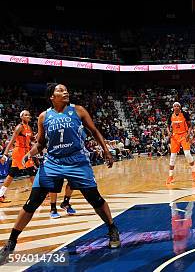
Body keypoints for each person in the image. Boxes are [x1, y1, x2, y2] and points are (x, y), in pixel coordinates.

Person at [0, 83, 120, 263]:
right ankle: (10, 243)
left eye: (66, 90)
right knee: (32, 202)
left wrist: (106, 150)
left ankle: (112, 228)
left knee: (94, 198)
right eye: (60, 90)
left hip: (77, 161)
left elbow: (94, 131)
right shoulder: (43, 117)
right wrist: (28, 154)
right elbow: (40, 144)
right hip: (53, 163)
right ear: (51, 97)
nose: (65, 92)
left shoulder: (78, 110)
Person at [0, 111, 37, 203]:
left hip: (26, 151)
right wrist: (5, 154)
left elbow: (31, 139)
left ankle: (1, 194)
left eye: (29, 114)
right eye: (25, 115)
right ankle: (38, 193)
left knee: (12, 173)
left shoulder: (29, 128)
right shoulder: (19, 127)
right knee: (32, 172)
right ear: (21, 117)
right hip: (19, 152)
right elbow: (12, 141)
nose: (28, 116)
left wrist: (37, 136)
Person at [166, 102, 195, 185]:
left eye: (177, 106)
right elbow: (167, 126)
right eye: (174, 106)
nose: (176, 107)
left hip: (184, 135)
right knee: (172, 157)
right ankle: (170, 176)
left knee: (187, 154)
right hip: (175, 137)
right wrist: (169, 132)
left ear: (180, 107)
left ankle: (194, 172)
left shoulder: (185, 114)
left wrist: (188, 134)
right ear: (173, 108)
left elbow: (190, 125)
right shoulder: (170, 115)